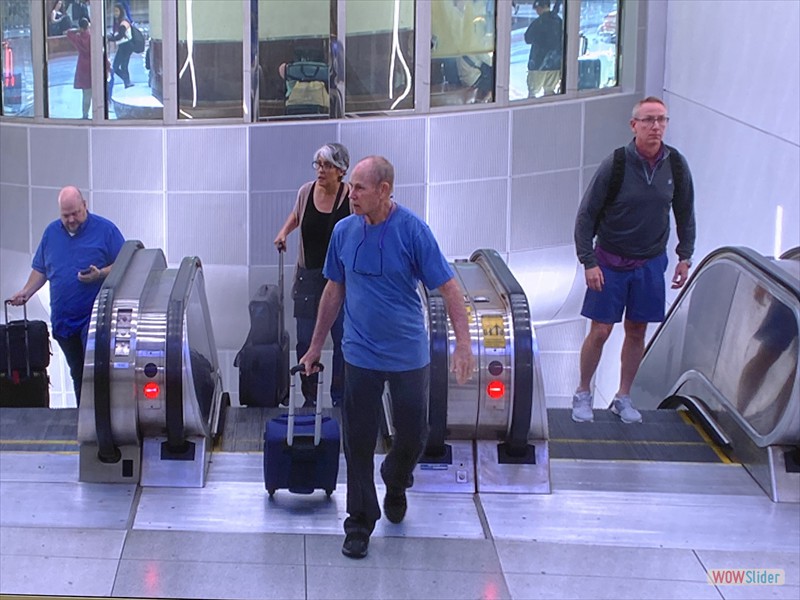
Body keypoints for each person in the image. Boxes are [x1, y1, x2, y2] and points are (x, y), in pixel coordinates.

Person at [299, 156, 474, 560]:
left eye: (360, 187)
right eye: (352, 187)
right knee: (357, 441)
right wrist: (314, 346)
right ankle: (359, 521)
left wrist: (462, 345)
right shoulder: (344, 232)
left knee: (415, 435)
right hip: (358, 353)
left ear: (384, 190)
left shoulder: (413, 231)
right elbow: (332, 291)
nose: (351, 194)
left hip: (408, 354)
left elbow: (448, 289)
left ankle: (396, 479)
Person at [572, 96, 696, 424]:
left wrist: (685, 256)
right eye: (649, 120)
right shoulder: (616, 164)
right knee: (600, 330)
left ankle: (622, 397)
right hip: (610, 261)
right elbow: (586, 215)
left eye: (661, 120)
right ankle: (583, 391)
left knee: (637, 330)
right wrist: (588, 261)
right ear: (634, 125)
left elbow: (685, 212)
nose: (656, 126)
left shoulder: (677, 166)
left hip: (650, 263)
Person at [7, 186, 124, 405]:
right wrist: (26, 292)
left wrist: (100, 274)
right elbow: (41, 269)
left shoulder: (106, 230)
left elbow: (125, 262)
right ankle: (83, 418)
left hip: (93, 320)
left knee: (93, 374)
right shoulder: (51, 233)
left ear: (85, 206)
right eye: (65, 215)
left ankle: (95, 420)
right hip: (63, 322)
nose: (71, 219)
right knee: (77, 372)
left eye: (75, 213)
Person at [273, 143, 351, 408]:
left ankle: (339, 398)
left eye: (327, 165)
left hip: (340, 281)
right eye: (318, 164)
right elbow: (297, 215)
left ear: (341, 170)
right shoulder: (306, 192)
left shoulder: (350, 197)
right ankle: (310, 398)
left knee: (343, 340)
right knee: (306, 340)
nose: (321, 170)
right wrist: (284, 232)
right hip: (308, 277)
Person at [524, 0, 563, 98]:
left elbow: (528, 38)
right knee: (549, 92)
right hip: (555, 63)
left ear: (540, 7)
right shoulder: (559, 21)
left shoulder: (539, 22)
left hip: (538, 63)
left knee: (533, 92)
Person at [66, 18, 92, 119]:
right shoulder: (91, 37)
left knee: (85, 92)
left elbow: (68, 33)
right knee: (93, 91)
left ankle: (85, 114)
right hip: (92, 64)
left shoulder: (77, 38)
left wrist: (77, 30)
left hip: (82, 66)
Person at [107, 3, 133, 91]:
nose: (115, 13)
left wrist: (110, 38)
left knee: (119, 66)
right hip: (123, 46)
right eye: (114, 11)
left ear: (121, 11)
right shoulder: (117, 22)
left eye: (117, 11)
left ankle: (127, 82)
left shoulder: (123, 22)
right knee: (121, 66)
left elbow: (120, 35)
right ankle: (127, 82)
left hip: (126, 46)